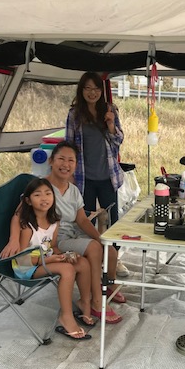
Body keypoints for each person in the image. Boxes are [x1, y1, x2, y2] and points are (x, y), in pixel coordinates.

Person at [3, 141, 124, 323]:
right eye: (61, 159)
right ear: (51, 161)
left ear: (76, 165)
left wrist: (101, 238)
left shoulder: (73, 190)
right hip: (56, 239)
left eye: (71, 160)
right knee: (94, 248)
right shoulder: (42, 187)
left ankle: (108, 286)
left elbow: (82, 220)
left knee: (110, 250)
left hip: (74, 234)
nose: (66, 164)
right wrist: (13, 239)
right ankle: (97, 303)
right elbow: (18, 215)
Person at [10, 177, 93, 341]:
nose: (44, 198)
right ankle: (66, 316)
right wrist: (52, 260)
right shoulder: (27, 226)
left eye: (48, 193)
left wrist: (66, 255)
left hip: (46, 260)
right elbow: (22, 258)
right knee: (67, 269)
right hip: (26, 267)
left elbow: (53, 247)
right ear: (28, 201)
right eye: (37, 195)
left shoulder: (54, 221)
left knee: (82, 262)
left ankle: (85, 303)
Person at [65, 71, 130, 279]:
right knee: (86, 220)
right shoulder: (75, 114)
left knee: (112, 221)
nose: (92, 93)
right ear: (81, 90)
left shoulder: (109, 110)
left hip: (108, 176)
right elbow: (69, 145)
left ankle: (114, 260)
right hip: (84, 178)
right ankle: (90, 261)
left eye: (96, 89)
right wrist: (70, 173)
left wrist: (110, 124)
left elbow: (119, 140)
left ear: (101, 91)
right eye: (87, 88)